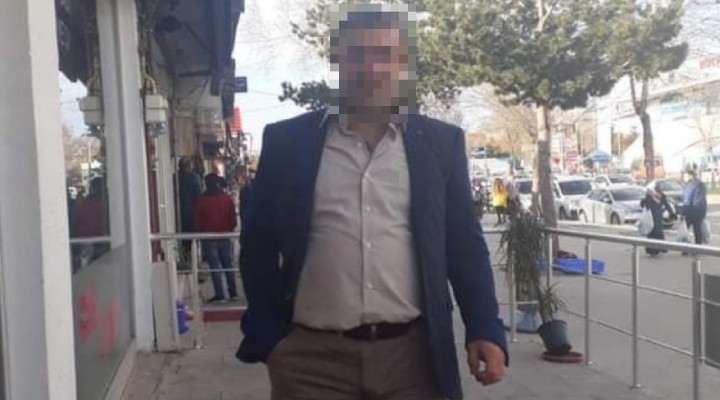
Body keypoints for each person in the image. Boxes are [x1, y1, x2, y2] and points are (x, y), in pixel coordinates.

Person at [237, 6, 506, 400]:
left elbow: (464, 245)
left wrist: (484, 328)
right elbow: (258, 244)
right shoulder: (288, 142)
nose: (371, 68)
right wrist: (268, 334)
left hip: (413, 359)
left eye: (384, 55)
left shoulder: (440, 144)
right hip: (310, 362)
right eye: (357, 54)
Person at [194, 175, 238, 303]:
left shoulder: (202, 200)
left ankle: (220, 294)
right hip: (224, 236)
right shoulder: (226, 199)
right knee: (227, 264)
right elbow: (233, 220)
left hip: (208, 237)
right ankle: (233, 293)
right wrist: (229, 230)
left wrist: (200, 234)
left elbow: (197, 220)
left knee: (215, 267)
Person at [641, 186, 676, 256]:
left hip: (652, 217)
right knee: (657, 233)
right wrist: (672, 213)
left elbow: (643, 204)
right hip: (657, 217)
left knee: (653, 233)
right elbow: (666, 205)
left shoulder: (650, 196)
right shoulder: (660, 196)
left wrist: (671, 213)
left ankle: (653, 250)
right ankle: (659, 249)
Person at [682, 164, 708, 247]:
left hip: (690, 211)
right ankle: (698, 247)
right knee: (697, 230)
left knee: (685, 230)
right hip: (700, 211)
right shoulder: (701, 185)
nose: (684, 178)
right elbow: (703, 199)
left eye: (685, 176)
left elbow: (687, 200)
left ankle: (685, 248)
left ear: (690, 176)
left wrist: (683, 212)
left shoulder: (689, 185)